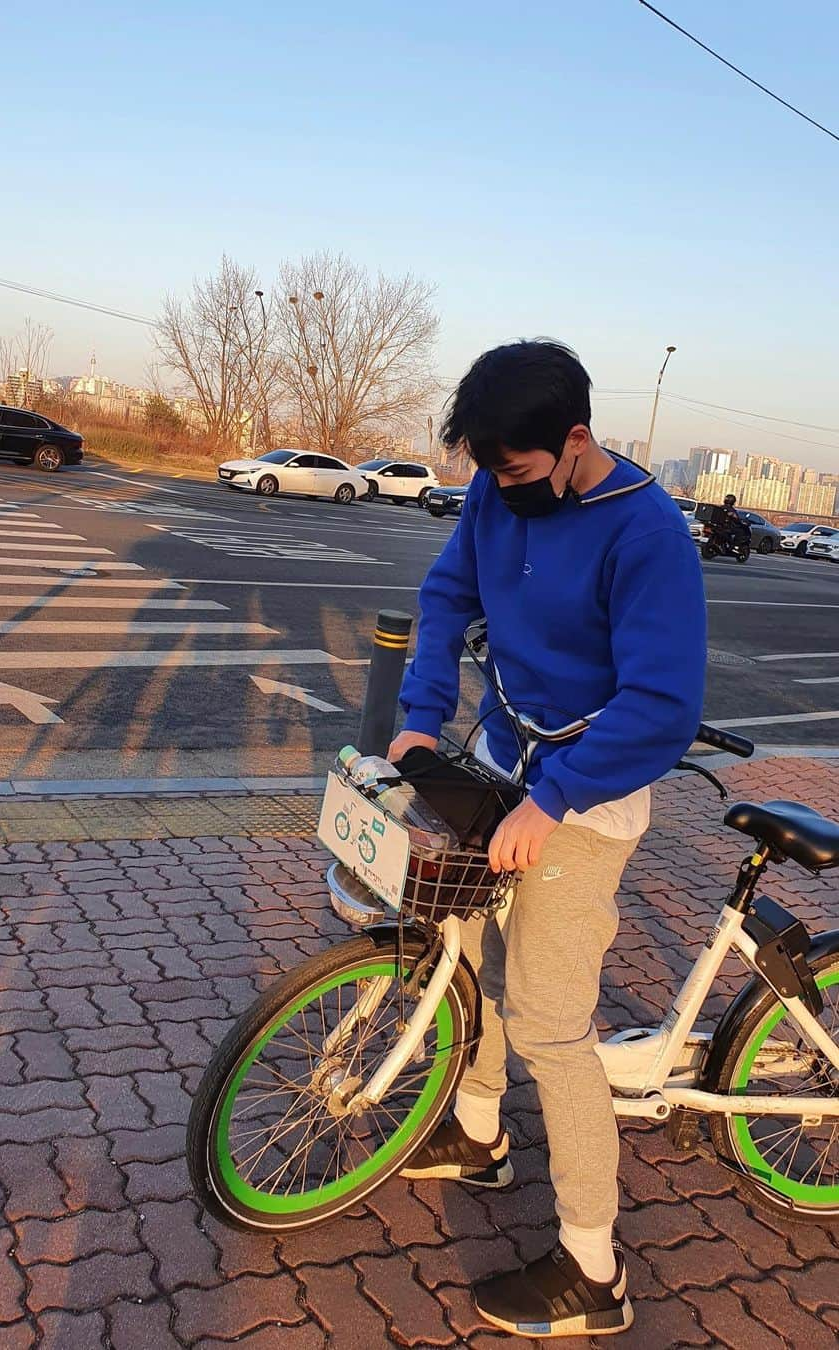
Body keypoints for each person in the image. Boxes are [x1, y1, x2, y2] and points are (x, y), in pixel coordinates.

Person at [390, 340, 706, 1339]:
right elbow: (448, 597)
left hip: (589, 793)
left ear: (575, 442)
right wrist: (419, 712)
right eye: (484, 471)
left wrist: (552, 801)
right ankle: (481, 1133)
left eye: (517, 471)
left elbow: (660, 704)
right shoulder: (495, 489)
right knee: (460, 936)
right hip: (504, 754)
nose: (497, 489)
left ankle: (593, 1269)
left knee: (551, 1023)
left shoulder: (647, 534)